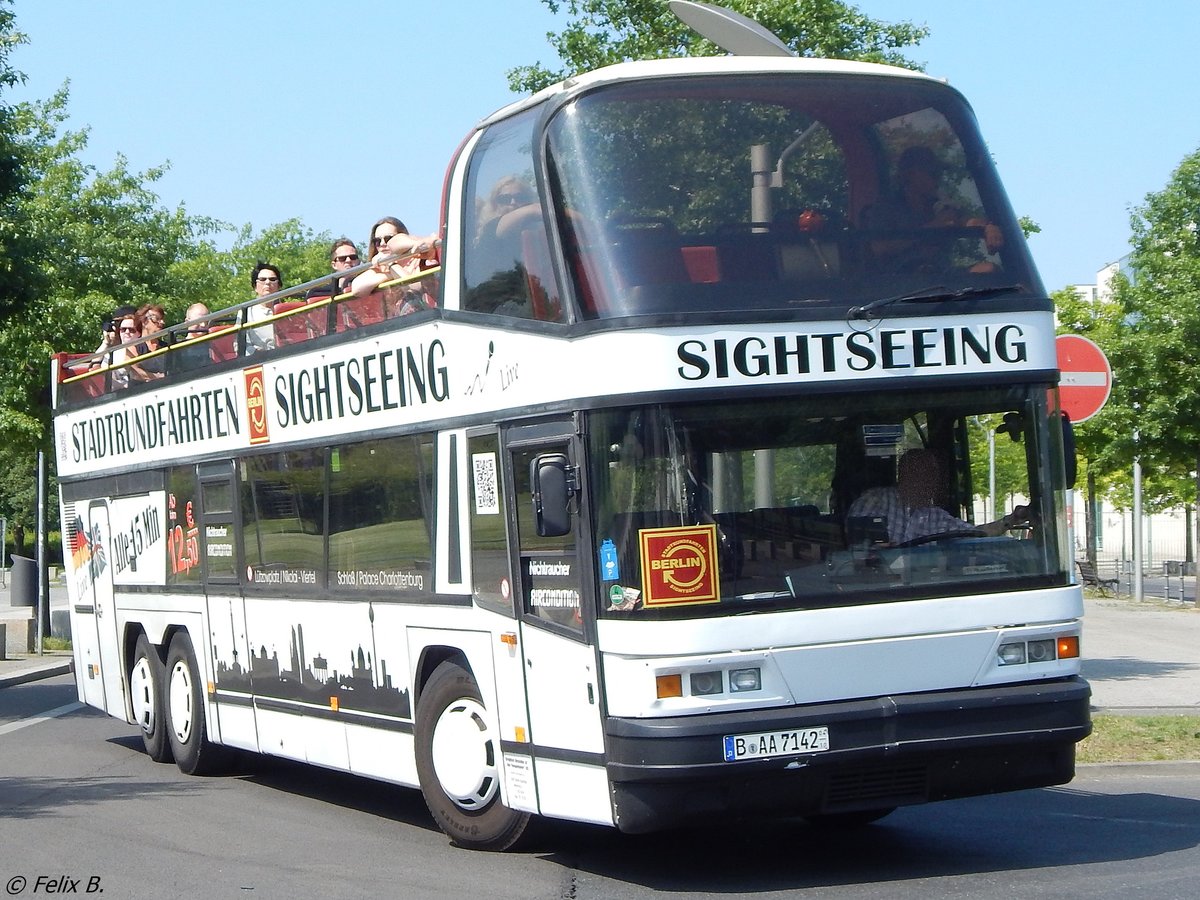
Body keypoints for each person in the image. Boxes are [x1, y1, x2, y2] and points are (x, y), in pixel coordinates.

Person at [863, 146, 1003, 273]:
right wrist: (933, 227)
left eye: (939, 172)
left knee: (988, 270)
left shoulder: (940, 206)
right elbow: (880, 248)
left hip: (942, 279)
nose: (938, 178)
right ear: (910, 175)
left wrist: (988, 227)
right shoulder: (885, 208)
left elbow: (966, 222)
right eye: (932, 172)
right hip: (898, 285)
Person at [847, 448, 1027, 545]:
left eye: (934, 475)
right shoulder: (874, 501)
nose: (932, 482)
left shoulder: (935, 516)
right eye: (925, 474)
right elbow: (853, 544)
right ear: (904, 475)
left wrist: (1010, 520)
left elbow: (974, 534)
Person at [349, 217, 438, 316]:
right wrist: (391, 272)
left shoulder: (420, 259)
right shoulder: (380, 267)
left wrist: (391, 265)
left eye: (388, 238)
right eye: (377, 241)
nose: (383, 244)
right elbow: (357, 288)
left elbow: (414, 286)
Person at [246, 262, 283, 353]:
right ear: (255, 286)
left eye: (272, 279)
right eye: (262, 279)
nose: (267, 282)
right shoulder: (246, 313)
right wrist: (256, 352)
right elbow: (239, 345)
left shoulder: (289, 310)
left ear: (279, 285)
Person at [170, 302, 213, 372]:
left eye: (206, 321)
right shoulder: (176, 347)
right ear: (187, 322)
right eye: (199, 321)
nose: (203, 325)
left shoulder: (215, 343)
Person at [132, 303, 169, 382]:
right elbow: (134, 371)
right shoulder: (133, 346)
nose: (162, 322)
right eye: (156, 319)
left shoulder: (167, 346)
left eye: (162, 319)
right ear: (144, 322)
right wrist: (157, 377)